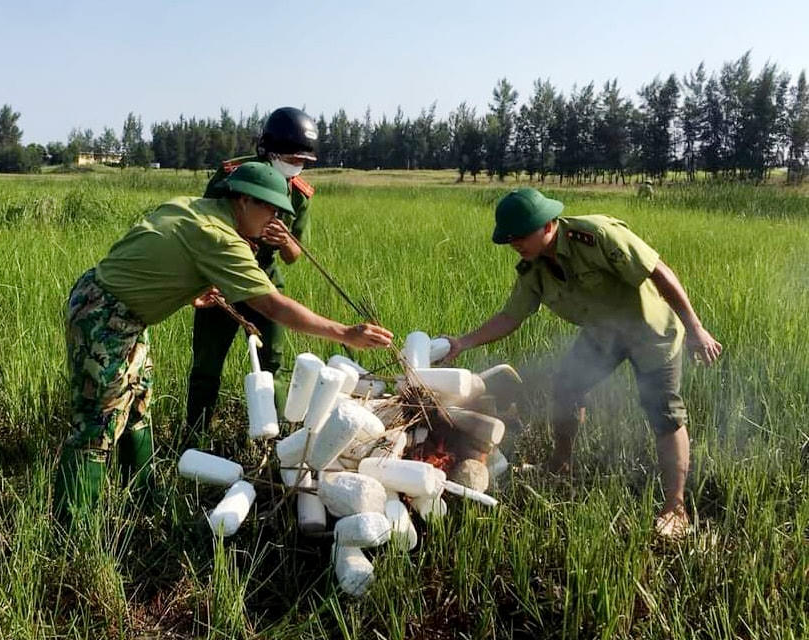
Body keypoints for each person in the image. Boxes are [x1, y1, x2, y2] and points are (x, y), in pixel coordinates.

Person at [54, 161, 392, 519]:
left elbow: (149, 251)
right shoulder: (221, 237)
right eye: (271, 209)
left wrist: (187, 290)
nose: (275, 220)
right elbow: (271, 305)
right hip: (105, 317)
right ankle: (74, 522)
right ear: (245, 200)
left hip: (115, 306)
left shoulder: (191, 205)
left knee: (137, 406)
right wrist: (344, 333)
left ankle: (142, 498)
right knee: (97, 420)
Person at [442, 187, 721, 538]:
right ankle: (561, 465)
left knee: (664, 411)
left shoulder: (596, 235)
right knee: (567, 388)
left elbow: (659, 272)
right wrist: (463, 342)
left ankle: (675, 507)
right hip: (603, 334)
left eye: (520, 235)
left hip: (650, 331)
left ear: (547, 225)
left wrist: (696, 328)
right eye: (509, 238)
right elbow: (511, 316)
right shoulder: (534, 269)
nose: (514, 243)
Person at [187, 107, 319, 438]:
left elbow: (293, 255)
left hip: (264, 280)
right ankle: (195, 438)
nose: (295, 164)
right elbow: (206, 230)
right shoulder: (233, 176)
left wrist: (285, 240)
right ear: (268, 149)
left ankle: (273, 440)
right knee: (207, 366)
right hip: (221, 279)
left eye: (302, 160)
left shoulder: (298, 194)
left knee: (272, 364)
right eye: (290, 157)